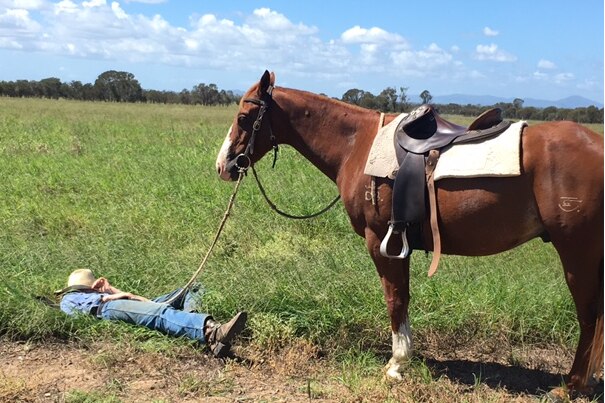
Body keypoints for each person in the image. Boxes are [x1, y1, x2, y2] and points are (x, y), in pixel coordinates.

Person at [55, 268, 246, 358]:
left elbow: (138, 302)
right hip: (108, 310)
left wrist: (114, 291)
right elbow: (94, 309)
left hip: (120, 306)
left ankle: (193, 321)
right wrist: (108, 296)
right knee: (160, 313)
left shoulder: (99, 294)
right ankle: (212, 332)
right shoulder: (71, 298)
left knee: (192, 289)